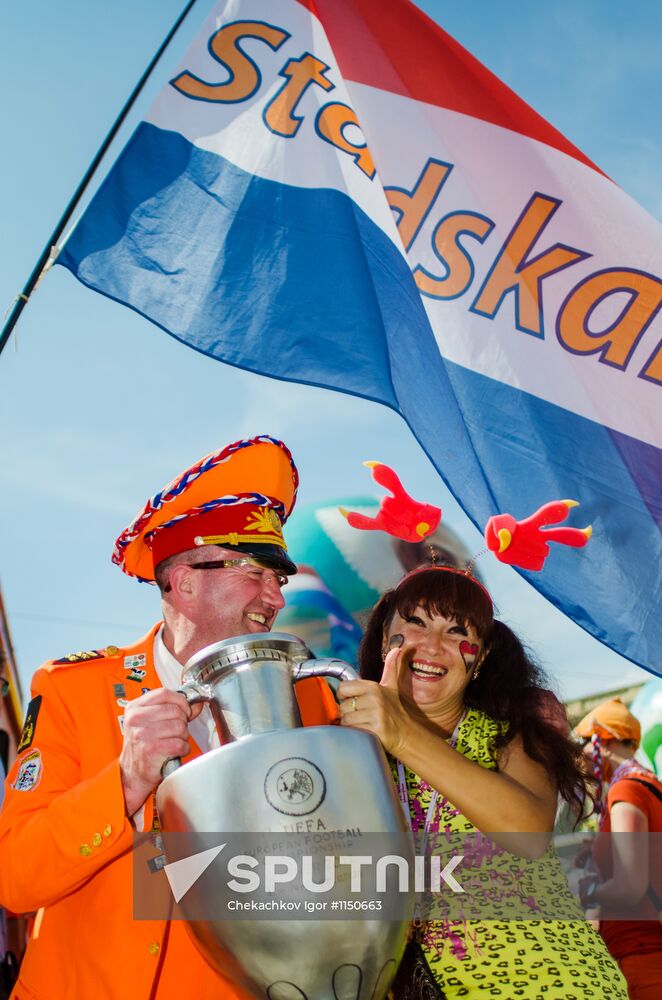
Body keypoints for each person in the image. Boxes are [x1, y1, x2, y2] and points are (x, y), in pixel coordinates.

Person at [0, 435, 337, 1000]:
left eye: (278, 580)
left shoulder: (312, 702)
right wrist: (126, 781)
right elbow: (15, 877)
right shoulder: (70, 688)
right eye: (255, 574)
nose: (276, 598)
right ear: (183, 582)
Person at [337, 565, 628, 999]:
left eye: (458, 632)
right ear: (384, 638)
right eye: (416, 622)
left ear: (482, 656)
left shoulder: (511, 734)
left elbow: (528, 833)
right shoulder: (344, 748)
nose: (433, 646)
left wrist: (402, 732)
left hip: (553, 982)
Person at [575, 697, 662, 1000]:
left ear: (604, 740)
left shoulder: (625, 790)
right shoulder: (649, 784)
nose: (581, 753)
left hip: (645, 956)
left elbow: (630, 888)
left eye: (583, 742)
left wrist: (590, 891)